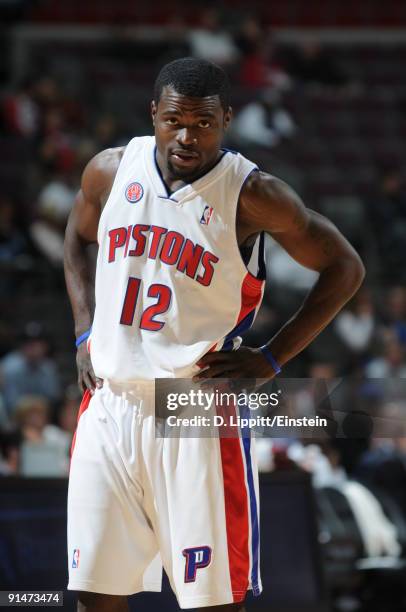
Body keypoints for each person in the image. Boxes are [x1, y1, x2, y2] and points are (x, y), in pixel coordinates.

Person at [64, 57, 364, 612]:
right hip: (108, 401)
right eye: (174, 119)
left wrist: (273, 358)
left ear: (226, 119)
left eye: (203, 123)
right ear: (153, 113)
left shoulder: (255, 194)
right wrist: (84, 331)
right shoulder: (109, 169)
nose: (187, 136)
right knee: (93, 596)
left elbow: (345, 267)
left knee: (212, 600)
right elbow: (78, 236)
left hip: (192, 407)